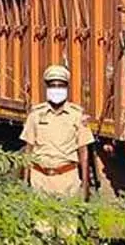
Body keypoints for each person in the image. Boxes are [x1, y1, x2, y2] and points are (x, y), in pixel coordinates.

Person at [19, 64, 95, 199]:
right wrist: (25, 181)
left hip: (67, 179)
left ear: (66, 88)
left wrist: (85, 184)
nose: (56, 89)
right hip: (40, 179)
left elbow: (83, 152)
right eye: (52, 86)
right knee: (40, 219)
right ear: (47, 88)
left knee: (68, 219)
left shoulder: (76, 116)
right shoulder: (36, 115)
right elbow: (28, 150)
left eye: (60, 86)